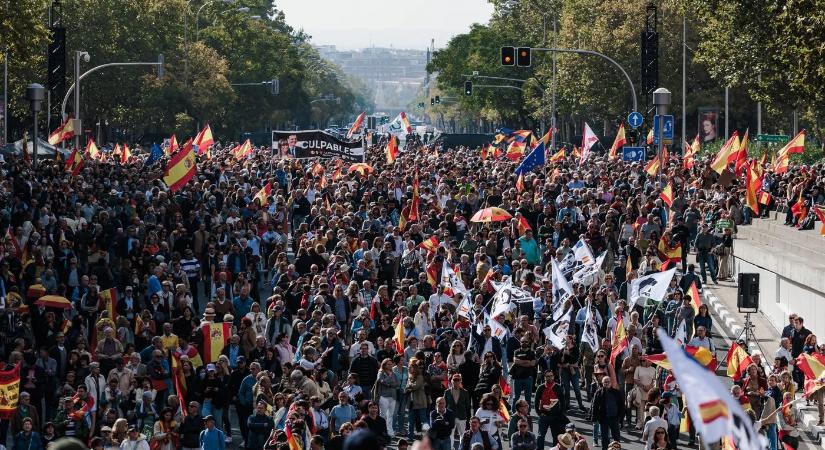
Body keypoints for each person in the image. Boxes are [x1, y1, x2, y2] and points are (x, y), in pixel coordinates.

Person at [535, 369, 568, 447]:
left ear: (553, 377)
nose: (549, 378)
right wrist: (539, 413)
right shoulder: (540, 387)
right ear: (544, 377)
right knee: (540, 436)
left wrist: (560, 415)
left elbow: (563, 402)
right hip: (544, 416)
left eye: (551, 376)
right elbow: (536, 402)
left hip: (555, 417)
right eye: (547, 376)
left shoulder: (558, 387)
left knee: (555, 437)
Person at [590, 375, 624, 450]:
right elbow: (594, 406)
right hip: (604, 418)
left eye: (608, 382)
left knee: (616, 437)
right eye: (605, 382)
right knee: (604, 438)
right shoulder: (598, 393)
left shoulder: (616, 392)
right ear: (602, 383)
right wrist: (594, 418)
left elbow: (621, 406)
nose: (607, 383)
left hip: (615, 418)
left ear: (611, 383)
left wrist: (620, 419)